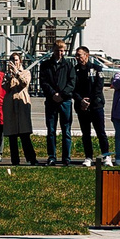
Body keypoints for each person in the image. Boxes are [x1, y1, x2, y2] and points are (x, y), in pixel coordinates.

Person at [37, 36, 77, 165]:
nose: (59, 53)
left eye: (62, 51)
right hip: (51, 101)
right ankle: (52, 156)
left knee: (66, 130)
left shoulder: (69, 65)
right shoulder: (45, 65)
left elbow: (72, 82)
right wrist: (53, 94)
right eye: (57, 50)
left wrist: (63, 94)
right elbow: (43, 82)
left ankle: (66, 157)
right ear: (53, 50)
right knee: (51, 130)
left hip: (65, 101)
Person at [74, 43, 109, 165]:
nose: (78, 58)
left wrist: (89, 101)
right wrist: (80, 101)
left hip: (96, 106)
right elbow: (73, 88)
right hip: (82, 108)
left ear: (86, 55)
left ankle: (106, 157)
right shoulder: (74, 71)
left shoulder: (97, 69)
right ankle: (88, 157)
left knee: (101, 133)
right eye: (76, 56)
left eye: (80, 55)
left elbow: (98, 87)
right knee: (86, 134)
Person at [2, 53, 37, 165]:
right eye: (12, 59)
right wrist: (8, 78)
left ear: (20, 61)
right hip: (10, 104)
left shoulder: (26, 72)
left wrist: (17, 73)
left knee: (24, 134)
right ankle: (14, 160)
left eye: (16, 60)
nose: (14, 62)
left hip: (22, 103)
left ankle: (31, 158)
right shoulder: (7, 74)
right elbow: (5, 87)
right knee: (12, 135)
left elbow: (24, 83)